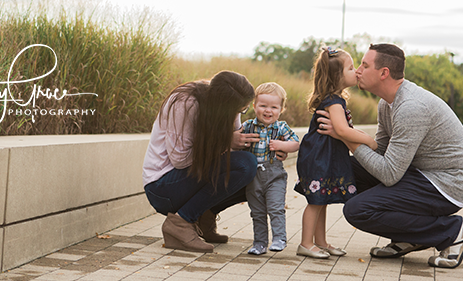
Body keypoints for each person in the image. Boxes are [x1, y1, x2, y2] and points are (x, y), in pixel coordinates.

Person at [317, 43, 463, 269]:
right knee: (343, 169)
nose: (358, 70)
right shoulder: (387, 104)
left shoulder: (411, 107)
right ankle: (409, 237)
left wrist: (345, 137)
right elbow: (381, 152)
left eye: (364, 65)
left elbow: (389, 174)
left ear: (384, 73)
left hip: (446, 185)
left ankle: (451, 230)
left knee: (357, 211)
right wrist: (351, 134)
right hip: (416, 173)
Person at [142, 71, 260, 253]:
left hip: (188, 180)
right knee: (245, 165)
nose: (239, 114)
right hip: (163, 186)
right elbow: (180, 160)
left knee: (260, 172)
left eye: (242, 111)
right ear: (223, 105)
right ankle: (180, 223)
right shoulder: (185, 103)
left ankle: (205, 217)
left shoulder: (227, 103)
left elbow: (234, 146)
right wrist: (225, 141)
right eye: (238, 110)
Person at [295, 47, 376, 259]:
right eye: (351, 68)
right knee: (315, 202)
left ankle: (320, 242)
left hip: (325, 157)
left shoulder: (335, 99)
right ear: (336, 76)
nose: (356, 70)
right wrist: (368, 140)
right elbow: (342, 130)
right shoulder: (334, 102)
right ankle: (305, 243)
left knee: (321, 200)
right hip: (319, 158)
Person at [241, 82, 300, 255]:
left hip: (275, 175)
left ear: (281, 109)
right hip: (253, 176)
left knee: (275, 208)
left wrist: (282, 144)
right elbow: (237, 140)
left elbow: (296, 143)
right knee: (257, 212)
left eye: (274, 107)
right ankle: (259, 243)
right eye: (263, 106)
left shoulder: (281, 127)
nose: (268, 111)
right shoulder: (248, 126)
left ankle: (279, 238)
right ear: (254, 106)